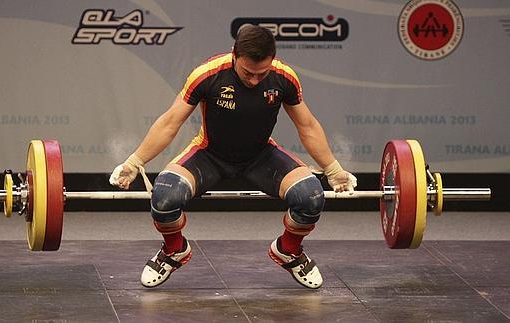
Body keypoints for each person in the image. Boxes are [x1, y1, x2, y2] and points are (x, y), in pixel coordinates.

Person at [109, 25, 357, 289]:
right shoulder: (208, 74)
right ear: (234, 55)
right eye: (247, 72)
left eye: (261, 74)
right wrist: (135, 162)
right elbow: (170, 122)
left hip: (261, 155)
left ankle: (288, 249)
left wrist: (332, 169)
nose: (254, 80)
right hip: (209, 154)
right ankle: (174, 250)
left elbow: (307, 126)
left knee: (311, 197)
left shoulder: (284, 77)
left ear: (272, 60)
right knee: (164, 196)